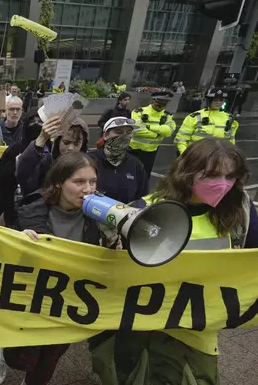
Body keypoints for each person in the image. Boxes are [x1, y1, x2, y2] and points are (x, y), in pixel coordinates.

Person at [91, 138, 258, 385]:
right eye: (212, 175)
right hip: (144, 326)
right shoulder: (146, 210)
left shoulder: (241, 214)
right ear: (187, 172)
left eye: (230, 176)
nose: (222, 184)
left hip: (197, 331)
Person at [0, 152, 116, 385]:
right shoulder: (31, 211)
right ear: (59, 183)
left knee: (50, 358)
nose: (88, 189)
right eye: (79, 182)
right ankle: (2, 352)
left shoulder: (99, 217)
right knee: (21, 357)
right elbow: (8, 258)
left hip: (67, 301)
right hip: (32, 297)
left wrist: (114, 238)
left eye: (92, 182)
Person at [0, 108, 43, 227]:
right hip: (12, 207)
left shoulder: (50, 151)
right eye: (32, 122)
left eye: (40, 122)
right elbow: (1, 180)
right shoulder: (14, 150)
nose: (36, 125)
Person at [16, 115, 89, 196]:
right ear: (58, 141)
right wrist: (41, 138)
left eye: (76, 144)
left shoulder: (88, 167)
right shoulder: (47, 162)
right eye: (66, 142)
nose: (71, 148)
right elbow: (23, 175)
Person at [88, 117, 148, 204]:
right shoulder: (89, 159)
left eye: (128, 132)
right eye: (118, 132)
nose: (124, 136)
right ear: (105, 136)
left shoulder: (136, 165)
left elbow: (142, 198)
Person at [174, 88, 238, 155]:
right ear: (209, 101)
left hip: (218, 158)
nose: (218, 102)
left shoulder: (229, 118)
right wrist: (185, 155)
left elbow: (231, 142)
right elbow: (181, 139)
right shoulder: (195, 117)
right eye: (215, 100)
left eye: (221, 100)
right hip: (196, 157)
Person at [129, 91, 176, 179]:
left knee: (144, 176)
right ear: (152, 101)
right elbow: (137, 129)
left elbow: (169, 131)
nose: (161, 106)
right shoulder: (139, 112)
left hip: (151, 152)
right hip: (134, 149)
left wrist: (149, 127)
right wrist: (157, 134)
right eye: (158, 104)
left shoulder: (167, 115)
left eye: (164, 104)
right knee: (130, 174)